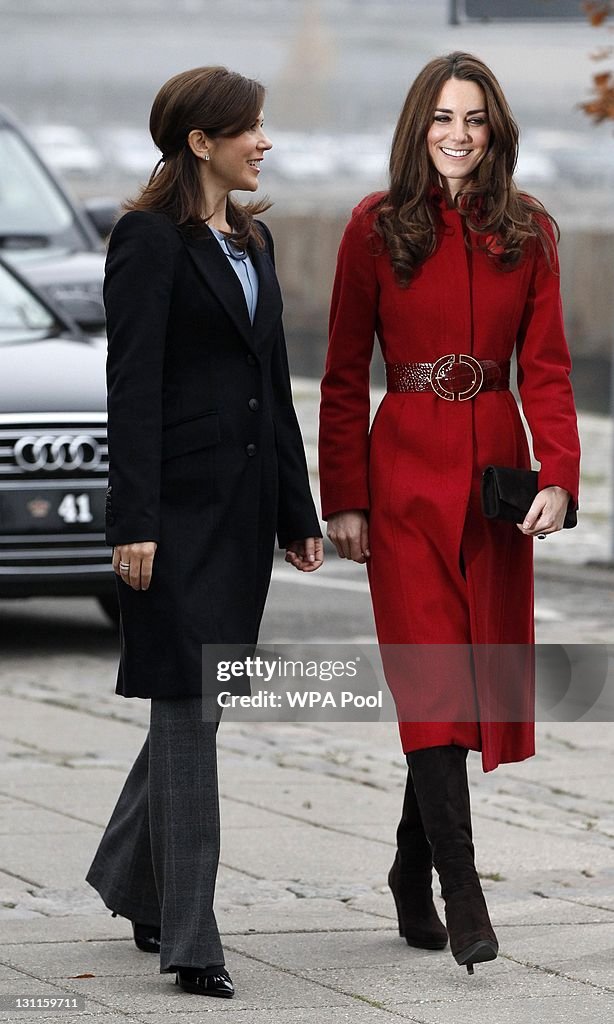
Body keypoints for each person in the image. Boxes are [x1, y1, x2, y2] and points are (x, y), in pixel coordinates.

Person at [319, 52, 580, 974]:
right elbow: (343, 373)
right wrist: (342, 497)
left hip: (497, 484)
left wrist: (559, 476)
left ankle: (404, 866)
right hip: (401, 483)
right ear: (416, 127)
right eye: (441, 117)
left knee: (467, 685)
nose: (458, 134)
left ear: (495, 129)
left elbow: (547, 367)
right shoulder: (373, 228)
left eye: (473, 118)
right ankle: (462, 892)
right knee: (432, 678)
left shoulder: (531, 229)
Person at [86, 66, 323, 998]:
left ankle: (123, 876)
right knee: (189, 713)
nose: (263, 142)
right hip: (175, 519)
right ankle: (192, 938)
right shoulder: (146, 241)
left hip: (242, 518)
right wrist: (133, 523)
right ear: (200, 142)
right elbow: (130, 388)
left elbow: (275, 382)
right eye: (249, 129)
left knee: (196, 707)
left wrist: (297, 510)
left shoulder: (252, 238)